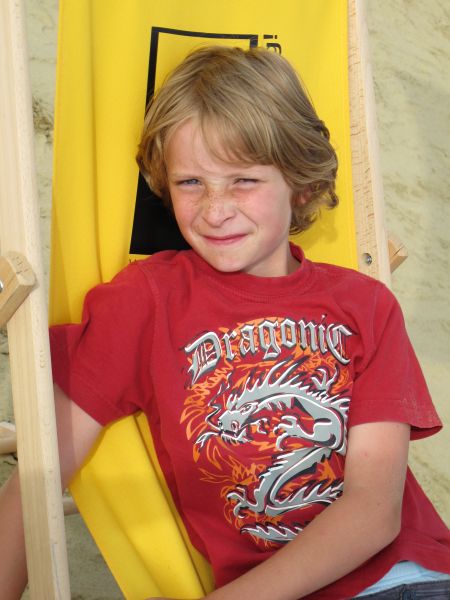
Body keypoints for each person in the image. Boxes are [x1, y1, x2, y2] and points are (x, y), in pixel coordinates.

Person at [1, 45, 450, 600]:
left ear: (301, 183)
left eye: (243, 181)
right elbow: (40, 477)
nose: (215, 210)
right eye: (191, 182)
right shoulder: (148, 302)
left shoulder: (365, 305)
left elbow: (373, 511)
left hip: (412, 580)